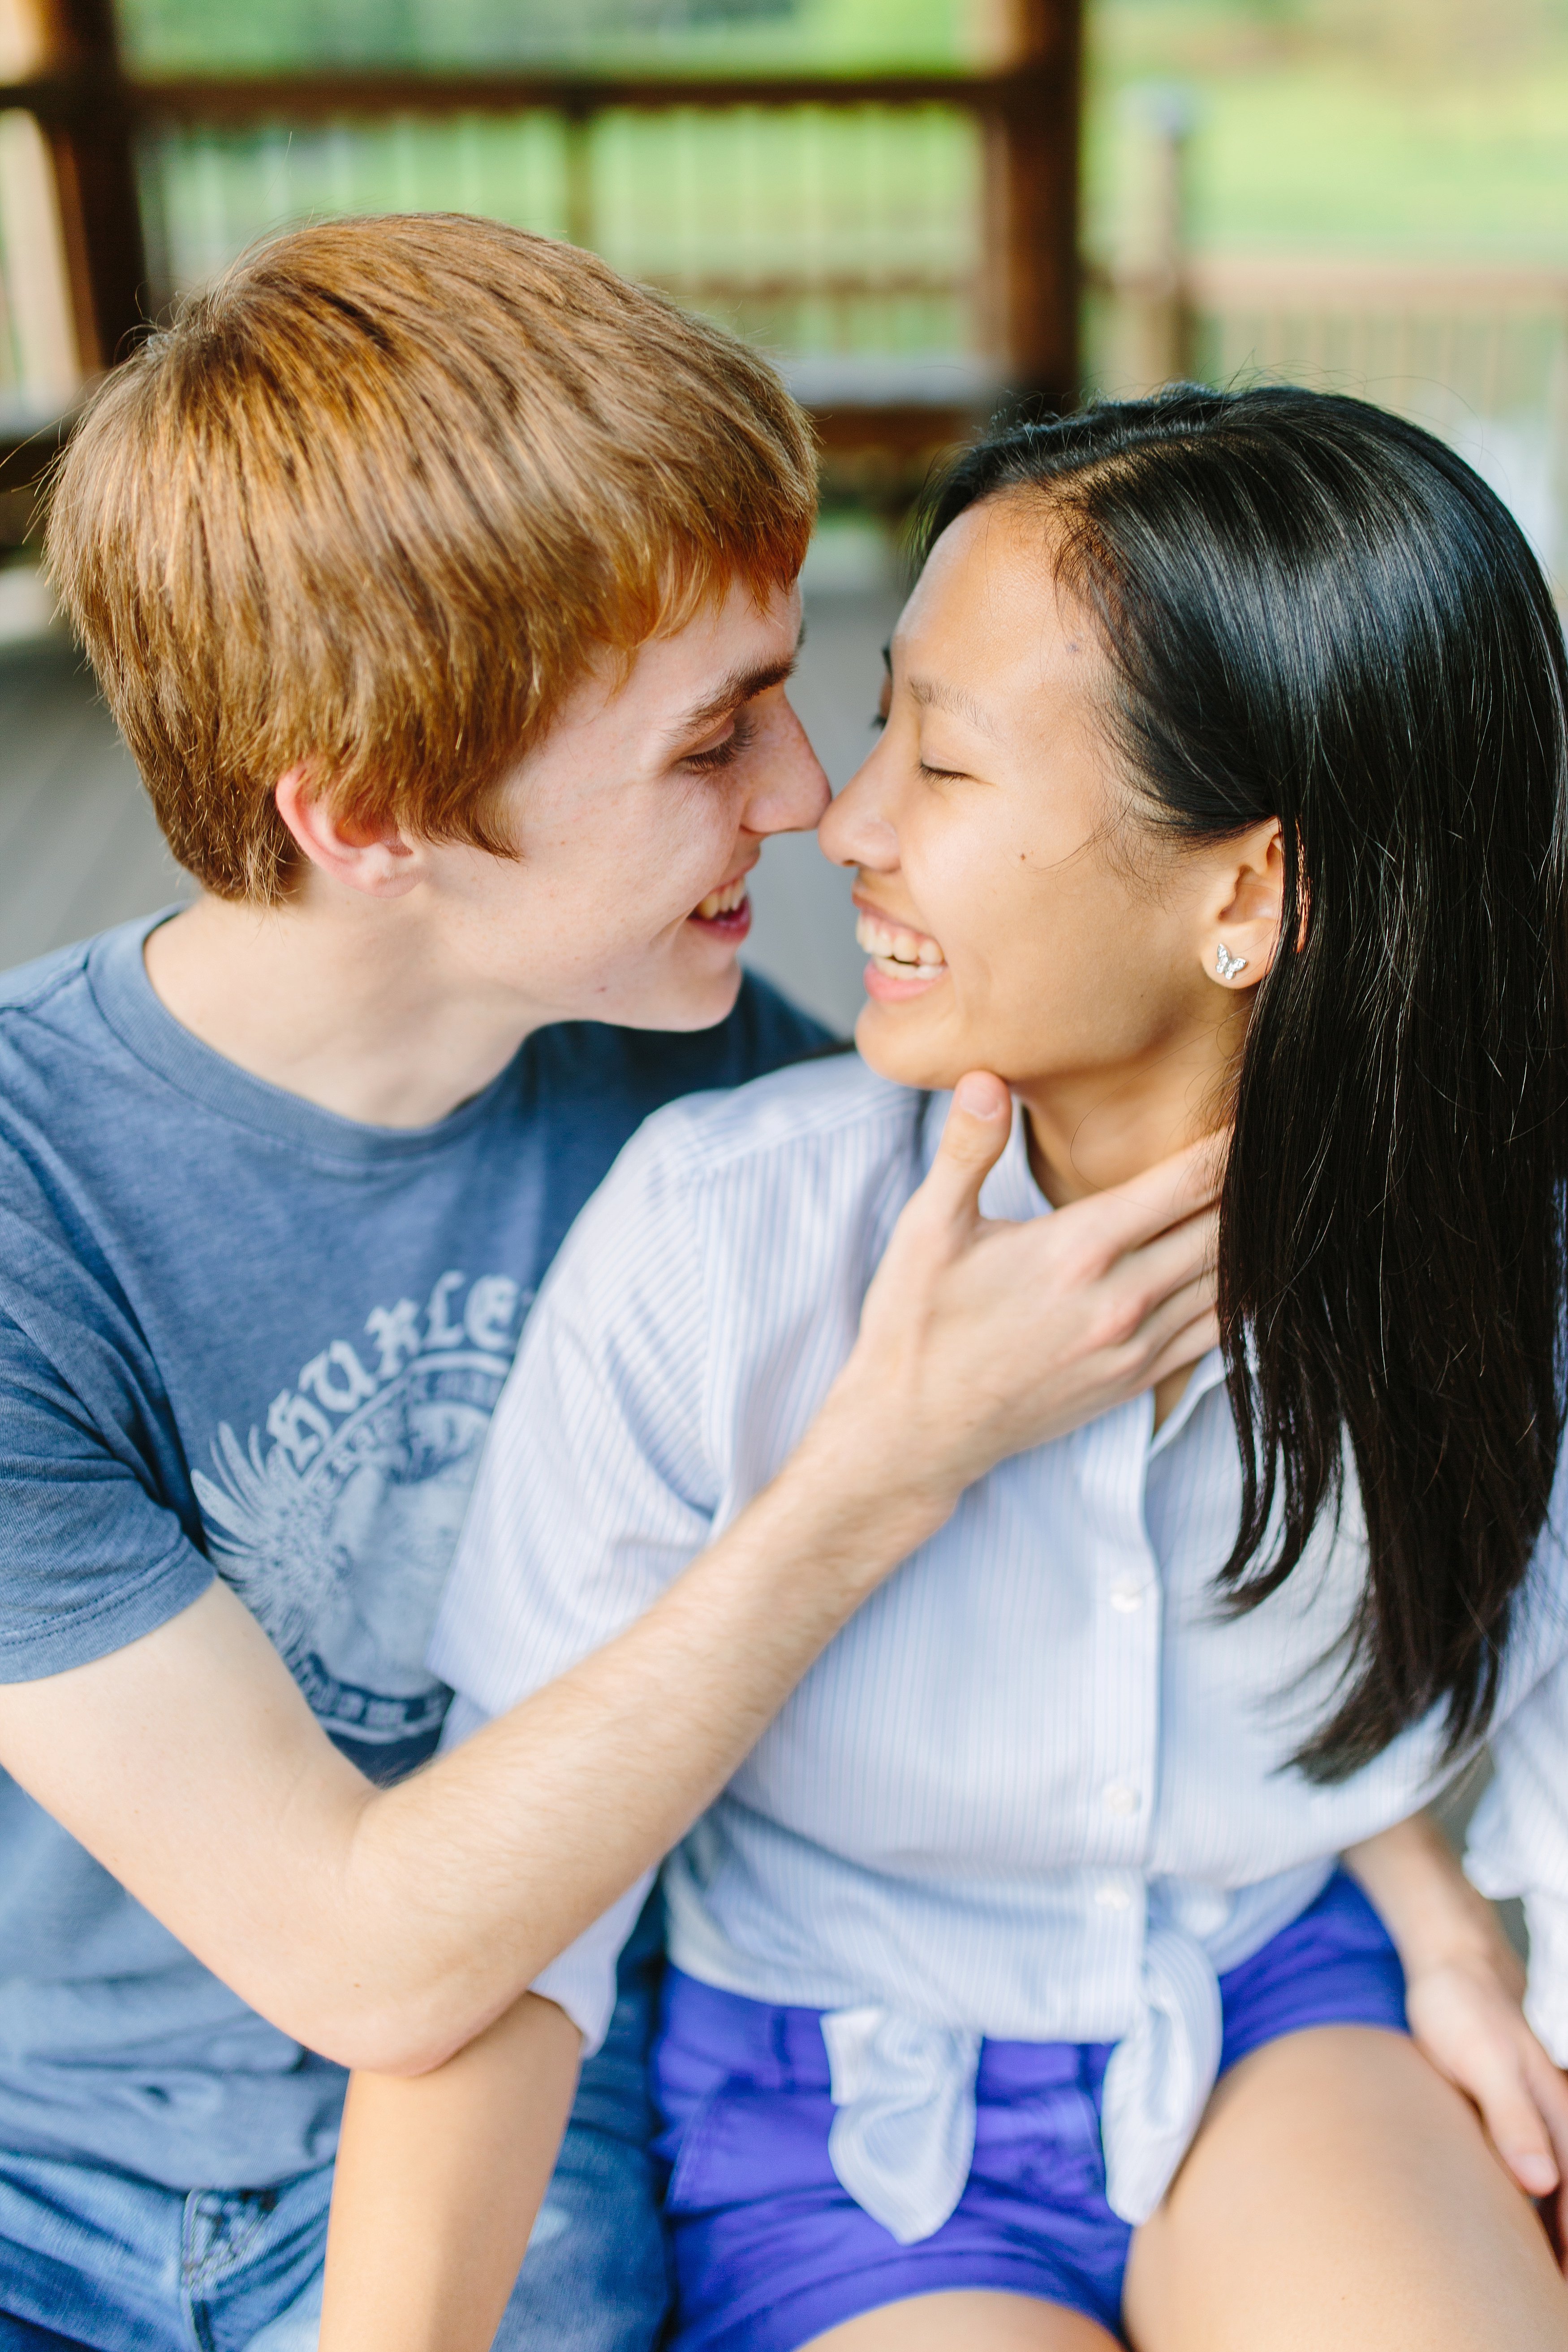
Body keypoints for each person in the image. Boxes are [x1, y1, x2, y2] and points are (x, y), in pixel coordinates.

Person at [0, 215, 1238, 2352]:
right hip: (50, 2165)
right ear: (372, 810)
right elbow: (362, 1947)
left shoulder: (746, 1113)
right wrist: (883, 1459)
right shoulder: (34, 1201)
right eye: (712, 739)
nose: (815, 801)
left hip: (547, 2109)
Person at [325, 387, 1568, 2352]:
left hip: (1257, 1997)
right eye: (878, 714)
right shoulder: (719, 1235)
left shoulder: (1500, 1268)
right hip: (844, 2100)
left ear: (1248, 892)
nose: (848, 812)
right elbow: (518, 1916)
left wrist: (1454, 1939)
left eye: (947, 760)